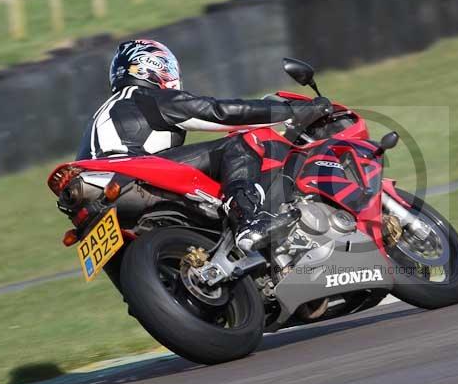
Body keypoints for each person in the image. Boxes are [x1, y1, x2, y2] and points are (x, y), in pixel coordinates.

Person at [77, 39, 331, 250]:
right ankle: (248, 221)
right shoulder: (144, 96)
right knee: (241, 143)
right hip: (131, 177)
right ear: (155, 67)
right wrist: (290, 111)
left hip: (95, 200)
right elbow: (218, 112)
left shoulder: (98, 116)